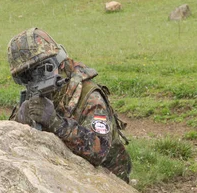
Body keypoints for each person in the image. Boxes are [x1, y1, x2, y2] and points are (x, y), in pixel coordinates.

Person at [7, 28, 132, 183]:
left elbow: (100, 151)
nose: (33, 80)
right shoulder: (40, 91)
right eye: (25, 76)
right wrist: (18, 121)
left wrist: (55, 122)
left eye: (38, 71)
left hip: (106, 181)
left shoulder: (88, 96)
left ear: (56, 63)